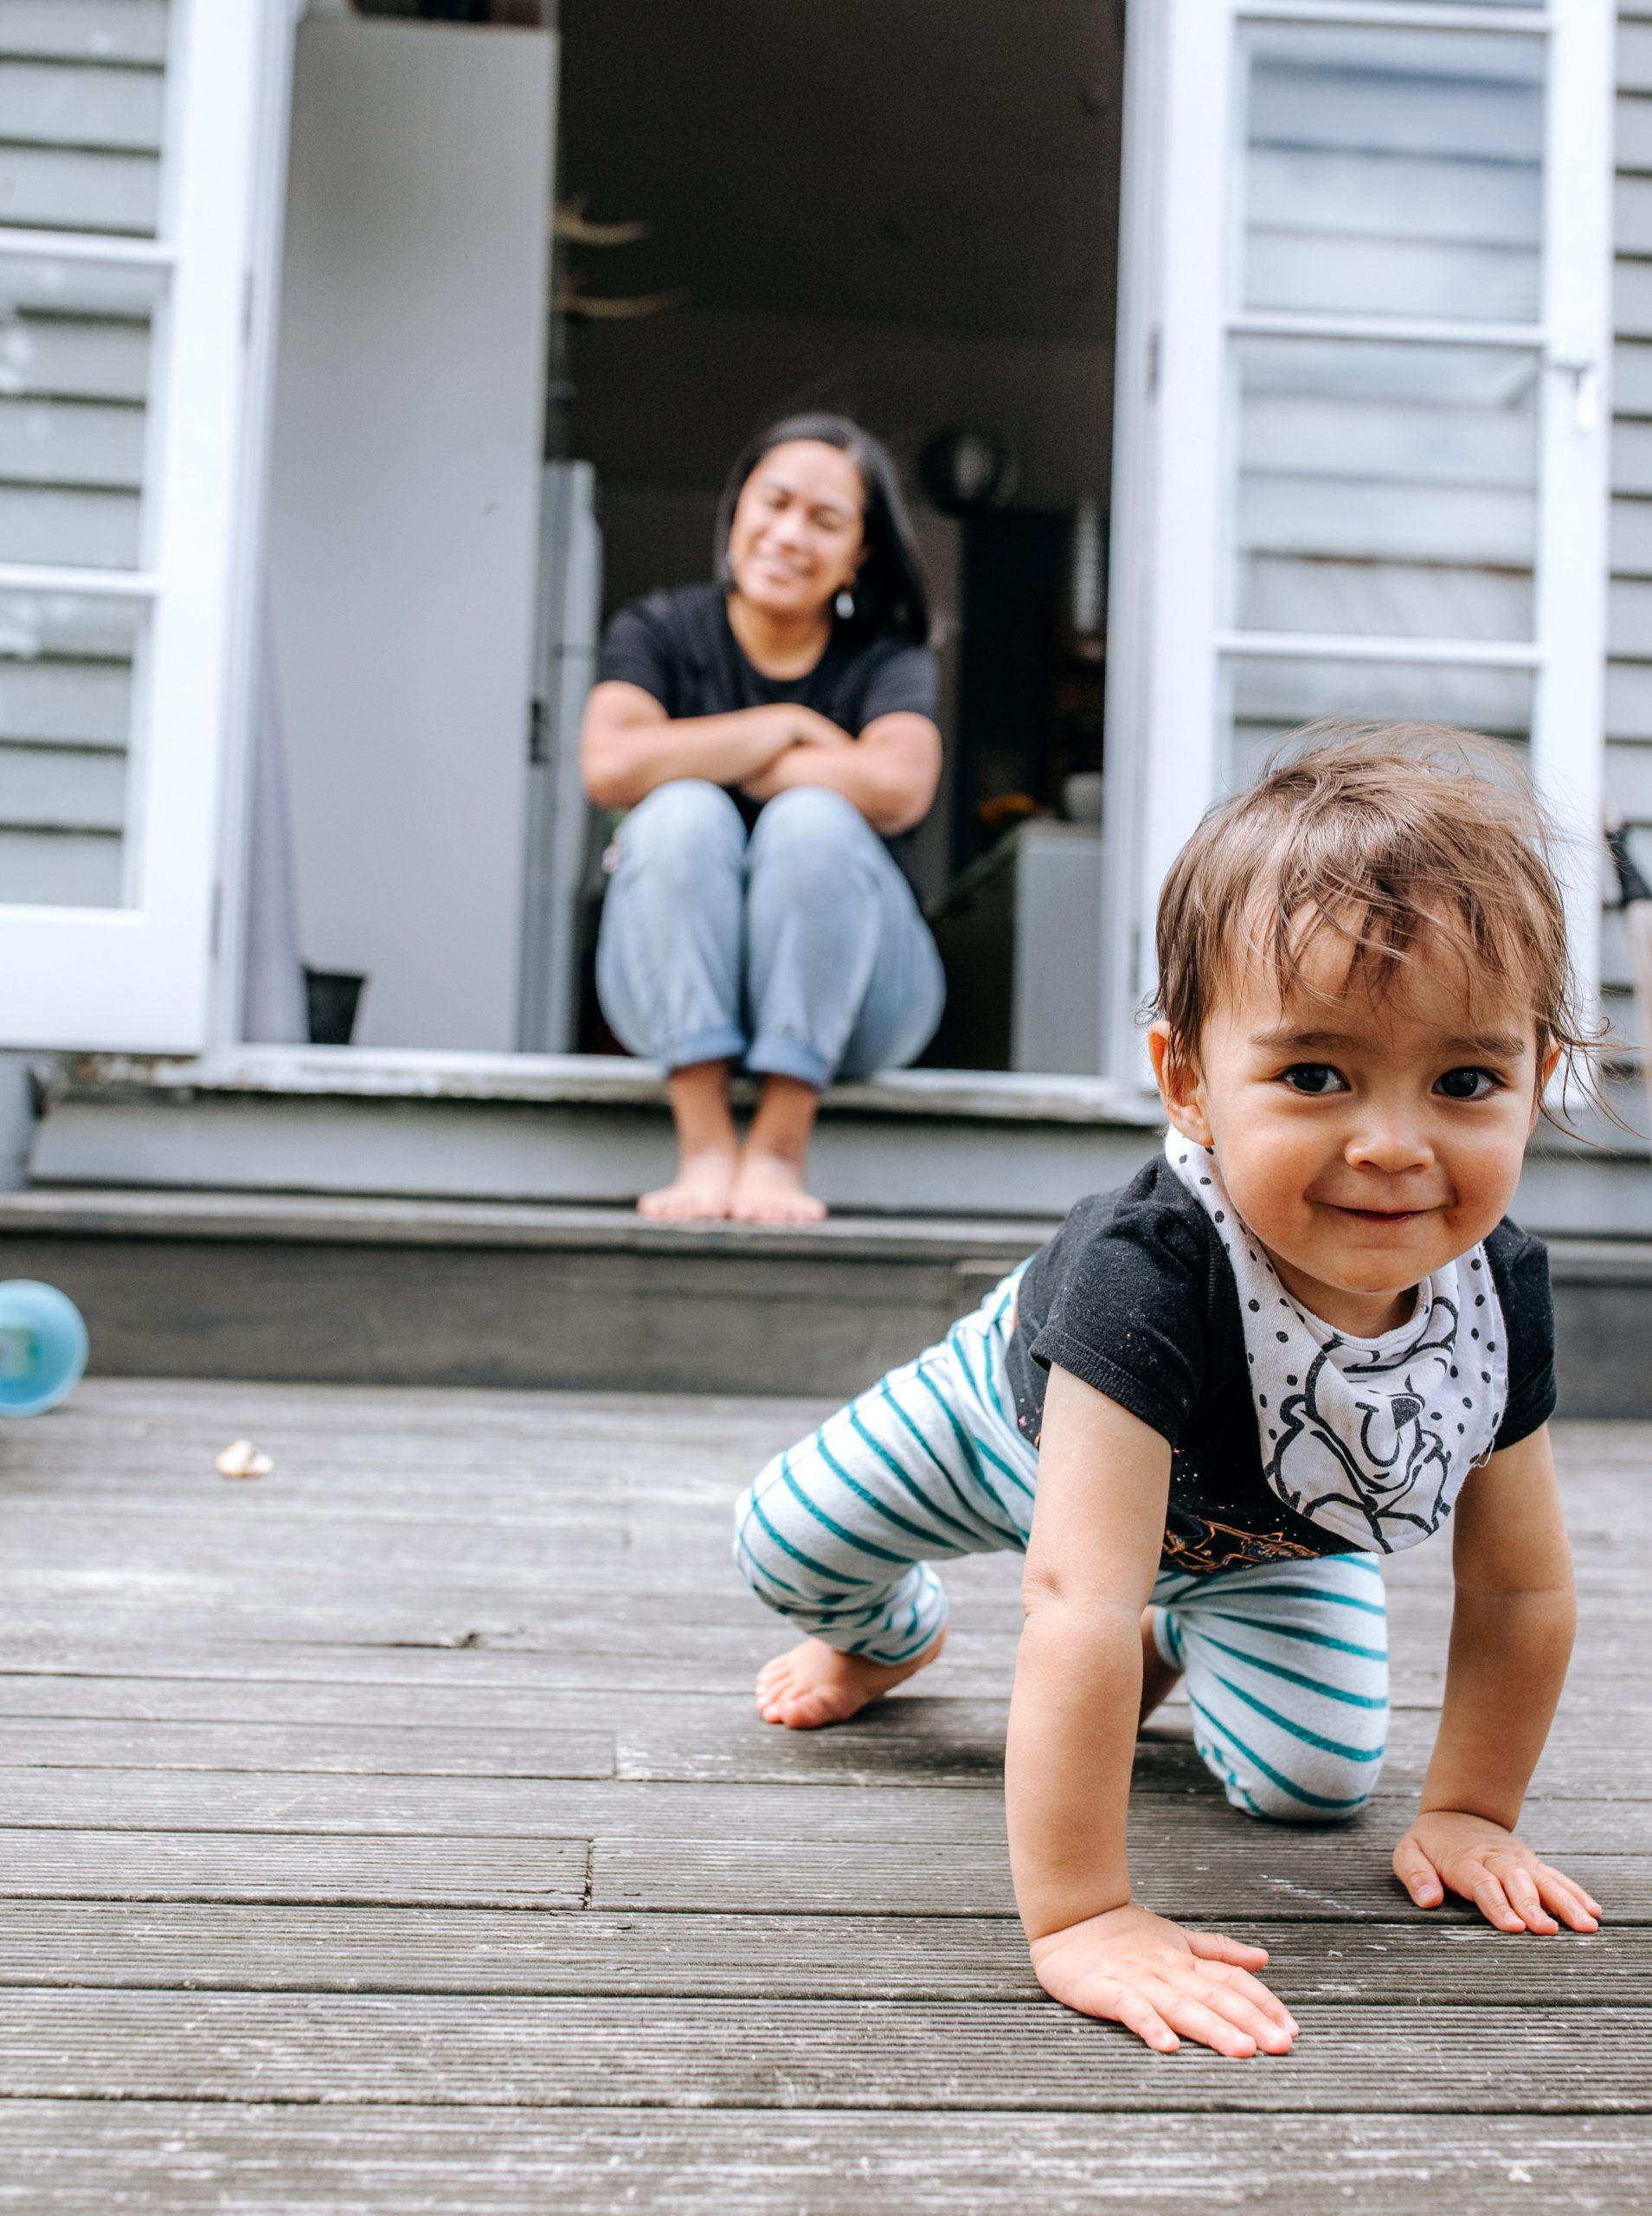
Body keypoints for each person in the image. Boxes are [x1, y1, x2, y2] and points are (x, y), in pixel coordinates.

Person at [734, 729, 1604, 2058]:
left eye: (1464, 1080)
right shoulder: (1144, 1267)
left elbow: (1517, 1585)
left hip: (1252, 1535)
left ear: (1535, 1080)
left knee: (1318, 1783)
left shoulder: (1495, 1292)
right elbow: (1073, 1597)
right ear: (1189, 1082)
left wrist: (1474, 1807)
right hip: (1010, 1436)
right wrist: (1083, 1914)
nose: (1391, 1143)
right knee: (785, 1541)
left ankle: (1180, 1636)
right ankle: (884, 1639)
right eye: (1315, 1075)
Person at [580, 415, 945, 1224]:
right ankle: (705, 1144)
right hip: (664, 997)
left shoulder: (889, 658)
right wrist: (790, 724)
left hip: (866, 1010)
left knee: (811, 821)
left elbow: (896, 786)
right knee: (678, 815)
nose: (788, 535)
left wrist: (700, 753)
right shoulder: (660, 628)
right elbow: (608, 766)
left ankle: (778, 1148)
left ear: (860, 554)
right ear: (736, 512)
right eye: (773, 504)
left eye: (824, 521)